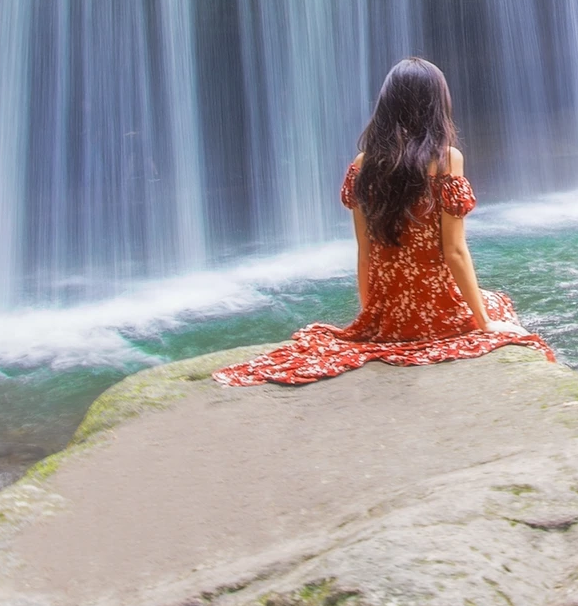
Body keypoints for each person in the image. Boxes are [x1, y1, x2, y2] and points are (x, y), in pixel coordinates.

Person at [213, 58, 553, 386]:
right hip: (437, 311)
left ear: (387, 106)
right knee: (497, 303)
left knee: (490, 301)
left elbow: (366, 253)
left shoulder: (363, 164)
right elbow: (454, 252)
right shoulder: (446, 160)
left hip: (389, 310)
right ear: (437, 105)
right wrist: (484, 324)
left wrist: (372, 317)